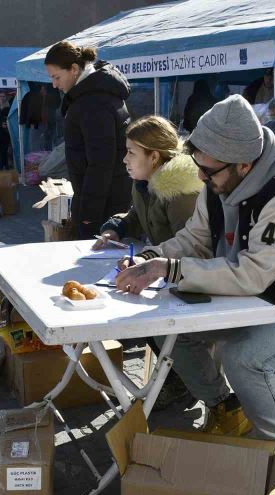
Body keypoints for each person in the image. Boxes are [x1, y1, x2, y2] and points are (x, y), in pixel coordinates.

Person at [116, 95, 275, 449]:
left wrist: (170, 270)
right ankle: (227, 406)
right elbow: (195, 238)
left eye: (209, 170)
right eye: (199, 167)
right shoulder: (218, 181)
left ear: (245, 165)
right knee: (172, 326)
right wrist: (151, 256)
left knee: (245, 359)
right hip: (267, 297)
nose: (201, 177)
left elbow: (250, 274)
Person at [93, 115, 202, 409]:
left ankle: (183, 382)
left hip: (183, 279)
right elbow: (134, 215)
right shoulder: (145, 183)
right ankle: (176, 378)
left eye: (131, 152)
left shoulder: (180, 193)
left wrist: (151, 262)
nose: (125, 159)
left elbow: (191, 244)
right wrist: (114, 228)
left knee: (146, 319)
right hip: (161, 272)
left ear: (154, 157)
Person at [44, 41, 132, 239]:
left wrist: (88, 215)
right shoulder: (99, 93)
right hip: (112, 197)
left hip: (103, 205)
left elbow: (100, 164)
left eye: (56, 77)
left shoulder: (93, 103)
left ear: (74, 69)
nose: (54, 84)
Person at [0, 91, 11, 169]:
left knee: (4, 149)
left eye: (3, 96)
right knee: (1, 150)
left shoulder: (8, 107)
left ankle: (2, 166)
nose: (2, 98)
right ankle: (4, 166)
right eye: (0, 96)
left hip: (6, 131)